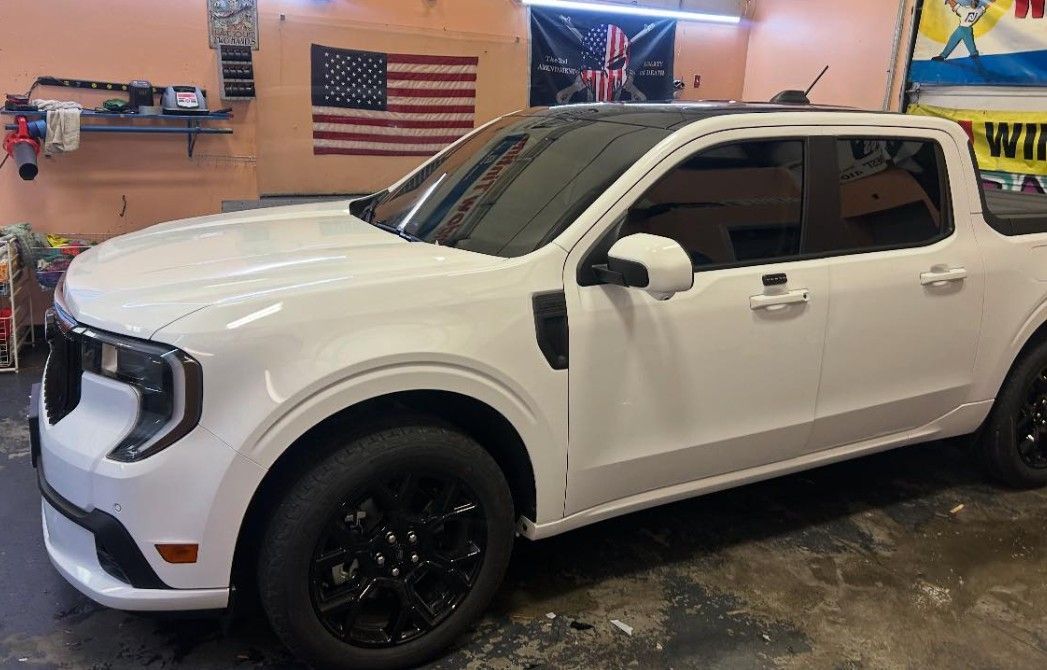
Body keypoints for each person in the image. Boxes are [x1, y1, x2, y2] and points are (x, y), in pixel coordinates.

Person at [932, 0, 996, 61]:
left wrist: (949, 1)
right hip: (968, 29)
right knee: (970, 43)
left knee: (952, 41)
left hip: (962, 29)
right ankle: (974, 53)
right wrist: (992, 1)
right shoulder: (979, 11)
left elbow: (954, 5)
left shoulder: (965, 10)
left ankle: (942, 56)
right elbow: (985, 6)